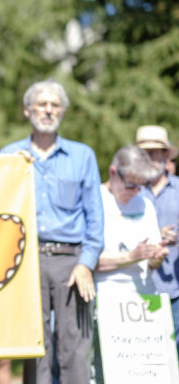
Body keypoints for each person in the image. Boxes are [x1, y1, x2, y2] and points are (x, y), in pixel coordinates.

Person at [0, 79, 104, 384]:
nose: (48, 110)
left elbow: (95, 218)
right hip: (26, 259)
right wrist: (13, 171)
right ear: (27, 110)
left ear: (63, 112)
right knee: (35, 345)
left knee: (75, 346)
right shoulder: (10, 154)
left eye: (55, 105)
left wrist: (87, 263)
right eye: (42, 104)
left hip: (71, 261)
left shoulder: (82, 155)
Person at [91, 145, 168, 383]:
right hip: (106, 300)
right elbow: (88, 263)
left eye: (141, 185)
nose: (136, 191)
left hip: (145, 303)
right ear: (114, 173)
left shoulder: (144, 202)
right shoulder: (95, 200)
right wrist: (131, 257)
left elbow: (152, 260)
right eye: (131, 185)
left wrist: (156, 256)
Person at [136, 124, 179, 358]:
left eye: (155, 152)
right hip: (136, 289)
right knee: (144, 360)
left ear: (165, 155)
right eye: (145, 153)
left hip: (175, 290)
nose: (150, 158)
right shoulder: (129, 192)